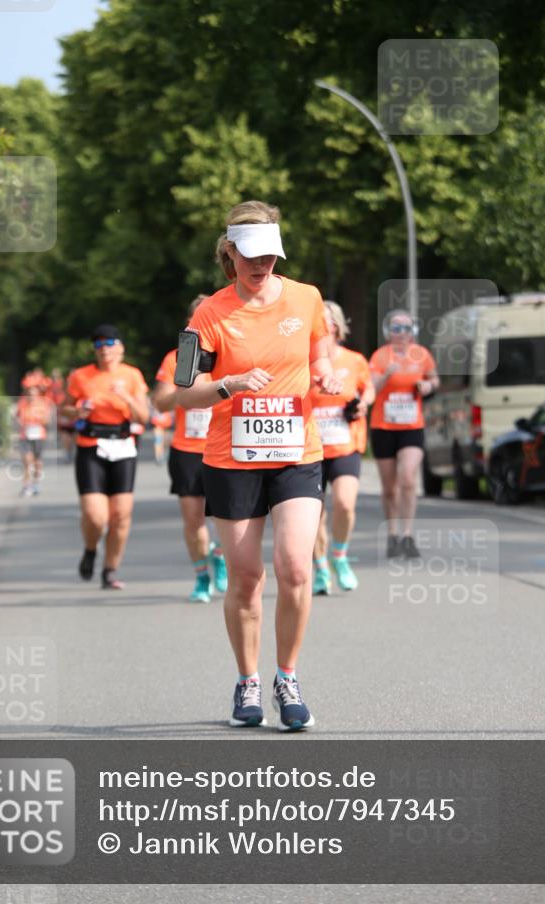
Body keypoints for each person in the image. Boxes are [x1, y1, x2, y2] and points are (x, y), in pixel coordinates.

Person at [176, 200, 342, 731]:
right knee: (247, 577)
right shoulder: (209, 315)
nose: (261, 265)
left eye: (270, 255)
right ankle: (247, 681)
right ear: (229, 252)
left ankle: (286, 678)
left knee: (296, 567)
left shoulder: (307, 297)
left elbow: (319, 354)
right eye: (250, 255)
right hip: (232, 458)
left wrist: (326, 376)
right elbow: (182, 392)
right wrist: (227, 383)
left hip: (297, 451)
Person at [152, 295, 228, 604]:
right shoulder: (177, 358)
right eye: (198, 320)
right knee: (194, 519)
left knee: (225, 517)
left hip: (223, 446)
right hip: (187, 450)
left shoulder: (230, 352)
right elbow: (160, 403)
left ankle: (220, 556)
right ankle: (201, 576)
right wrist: (181, 394)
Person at [62, 324, 149, 590]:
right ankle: (90, 549)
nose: (104, 349)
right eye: (99, 345)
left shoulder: (132, 376)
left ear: (121, 347)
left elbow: (144, 417)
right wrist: (77, 411)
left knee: (121, 514)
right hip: (91, 446)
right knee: (96, 515)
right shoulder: (81, 376)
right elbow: (64, 408)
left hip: (123, 446)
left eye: (110, 343)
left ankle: (110, 570)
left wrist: (125, 396)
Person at [310, 301, 375, 595]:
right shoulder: (304, 360)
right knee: (313, 516)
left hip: (345, 444)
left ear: (336, 326)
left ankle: (339, 554)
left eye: (326, 322)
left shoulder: (354, 360)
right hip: (309, 447)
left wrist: (364, 403)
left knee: (346, 505)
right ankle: (321, 568)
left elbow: (368, 388)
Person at [369, 308, 439, 559]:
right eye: (396, 328)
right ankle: (392, 534)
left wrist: (426, 385)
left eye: (406, 328)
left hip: (411, 427)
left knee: (408, 478)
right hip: (384, 427)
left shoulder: (421, 355)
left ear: (413, 332)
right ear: (389, 332)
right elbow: (370, 391)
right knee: (390, 487)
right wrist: (387, 375)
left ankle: (408, 534)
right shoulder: (380, 357)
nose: (401, 333)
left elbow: (434, 380)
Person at [16, 382, 53, 496]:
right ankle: (26, 485)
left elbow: (47, 420)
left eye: (34, 394)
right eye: (30, 394)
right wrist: (21, 423)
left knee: (37, 462)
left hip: (38, 435)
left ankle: (36, 483)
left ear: (38, 395)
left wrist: (38, 420)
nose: (31, 396)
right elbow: (17, 417)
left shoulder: (43, 404)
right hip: (25, 435)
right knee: (27, 461)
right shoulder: (22, 403)